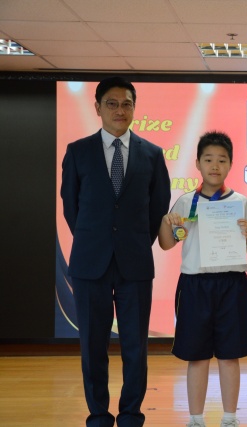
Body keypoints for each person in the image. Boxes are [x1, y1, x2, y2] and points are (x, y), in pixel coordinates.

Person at [61, 76, 171, 427]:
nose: (120, 110)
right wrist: (96, 239)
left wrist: (134, 241)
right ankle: (98, 415)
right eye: (112, 103)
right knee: (93, 346)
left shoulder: (152, 154)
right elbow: (71, 207)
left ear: (134, 108)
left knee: (135, 346)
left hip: (134, 263)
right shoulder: (78, 151)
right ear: (97, 108)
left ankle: (130, 415)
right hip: (89, 262)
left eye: (126, 104)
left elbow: (158, 207)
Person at [158, 131, 247, 427]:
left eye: (222, 160)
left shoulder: (241, 202)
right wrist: (166, 222)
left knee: (230, 355)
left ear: (230, 165)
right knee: (197, 356)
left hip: (232, 284)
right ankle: (196, 419)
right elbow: (166, 243)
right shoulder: (184, 203)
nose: (215, 166)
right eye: (208, 159)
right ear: (198, 164)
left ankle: (229, 418)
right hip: (195, 286)